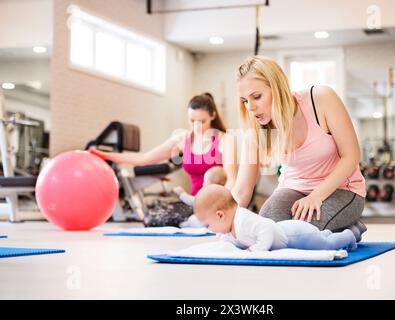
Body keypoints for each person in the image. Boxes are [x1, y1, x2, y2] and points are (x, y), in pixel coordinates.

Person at [231, 55, 367, 239]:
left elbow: (351, 156)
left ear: (277, 88)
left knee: (300, 232)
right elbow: (242, 189)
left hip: (342, 189)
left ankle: (350, 229)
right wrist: (230, 222)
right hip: (293, 188)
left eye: (257, 96)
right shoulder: (255, 127)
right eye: (244, 101)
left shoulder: (321, 99)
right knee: (266, 227)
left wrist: (316, 196)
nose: (251, 107)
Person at [90, 93, 237, 226]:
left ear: (213, 116)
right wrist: (104, 155)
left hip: (218, 205)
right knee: (152, 219)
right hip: (193, 202)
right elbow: (144, 159)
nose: (196, 127)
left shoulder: (225, 140)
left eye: (202, 121)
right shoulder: (182, 139)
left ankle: (202, 222)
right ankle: (194, 223)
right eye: (192, 121)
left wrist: (221, 209)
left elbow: (231, 179)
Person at [193, 184, 358, 252]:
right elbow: (229, 244)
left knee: (325, 245)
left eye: (208, 224)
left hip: (295, 234)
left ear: (220, 215)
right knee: (323, 236)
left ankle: (349, 235)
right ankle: (350, 231)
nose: (209, 229)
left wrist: (257, 249)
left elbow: (267, 228)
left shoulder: (243, 219)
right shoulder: (229, 229)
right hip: (289, 236)